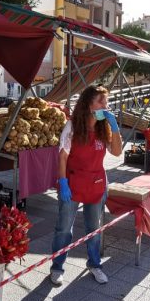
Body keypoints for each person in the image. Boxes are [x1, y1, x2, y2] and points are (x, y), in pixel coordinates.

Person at [51, 85, 122, 286]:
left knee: (94, 228)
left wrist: (115, 128)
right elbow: (62, 156)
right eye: (100, 101)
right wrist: (63, 182)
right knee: (64, 228)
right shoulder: (72, 126)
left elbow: (117, 152)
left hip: (97, 184)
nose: (104, 106)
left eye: (106, 102)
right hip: (72, 183)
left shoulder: (103, 128)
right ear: (88, 103)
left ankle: (95, 264)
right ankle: (57, 267)